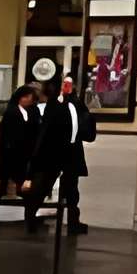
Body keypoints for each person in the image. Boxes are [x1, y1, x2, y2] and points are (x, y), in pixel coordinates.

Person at [25, 73, 95, 234]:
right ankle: (30, 217)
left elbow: (84, 126)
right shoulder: (54, 105)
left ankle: (73, 221)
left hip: (72, 151)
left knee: (71, 189)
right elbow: (47, 130)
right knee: (44, 184)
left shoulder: (76, 104)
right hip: (54, 151)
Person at [0, 82, 40, 224]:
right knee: (2, 186)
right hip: (10, 154)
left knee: (24, 187)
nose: (29, 100)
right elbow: (6, 132)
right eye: (27, 97)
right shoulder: (11, 112)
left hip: (25, 154)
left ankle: (29, 216)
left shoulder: (33, 112)